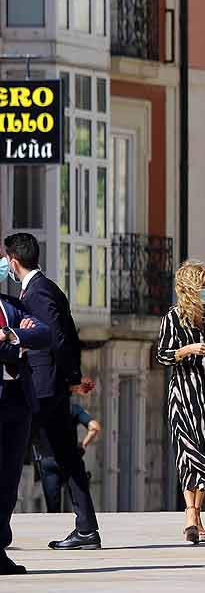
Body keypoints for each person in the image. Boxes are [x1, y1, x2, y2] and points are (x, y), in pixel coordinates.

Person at [6, 233, 101, 551]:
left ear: (14, 262)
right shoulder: (44, 287)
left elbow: (58, 338)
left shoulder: (37, 293)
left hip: (42, 387)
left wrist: (71, 377)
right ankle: (87, 529)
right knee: (67, 457)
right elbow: (70, 335)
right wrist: (71, 378)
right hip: (54, 386)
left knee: (10, 452)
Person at [155, 261, 205, 544]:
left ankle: (196, 513)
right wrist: (187, 349)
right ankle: (191, 513)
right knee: (190, 453)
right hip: (184, 393)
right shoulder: (173, 318)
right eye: (201, 284)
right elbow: (162, 356)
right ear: (189, 288)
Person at [0, 295, 54, 574]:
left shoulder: (11, 305)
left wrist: (10, 334)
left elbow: (44, 334)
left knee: (9, 479)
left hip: (17, 400)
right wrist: (18, 347)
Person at [31, 390, 98, 514]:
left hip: (47, 459)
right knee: (78, 499)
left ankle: (56, 529)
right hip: (69, 458)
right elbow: (94, 427)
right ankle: (83, 525)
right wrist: (83, 445)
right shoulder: (73, 409)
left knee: (53, 507)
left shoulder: (40, 409)